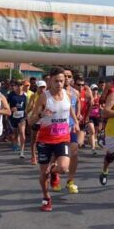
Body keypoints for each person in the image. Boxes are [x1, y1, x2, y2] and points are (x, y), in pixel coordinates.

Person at [28, 68, 78, 211]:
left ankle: (54, 171)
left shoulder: (68, 94)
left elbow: (70, 109)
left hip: (62, 138)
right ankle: (46, 197)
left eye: (62, 81)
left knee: (63, 167)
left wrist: (75, 122)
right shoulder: (44, 97)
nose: (59, 84)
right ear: (50, 81)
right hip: (45, 140)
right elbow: (31, 121)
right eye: (56, 81)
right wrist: (41, 114)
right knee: (43, 174)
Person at [63, 69, 82, 194]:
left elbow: (78, 102)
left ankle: (70, 181)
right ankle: (54, 174)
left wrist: (78, 115)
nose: (66, 78)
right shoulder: (55, 92)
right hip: (58, 127)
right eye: (64, 76)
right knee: (57, 157)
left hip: (71, 127)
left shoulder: (75, 92)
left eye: (69, 76)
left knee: (74, 153)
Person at [27, 81, 46, 165]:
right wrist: (33, 107)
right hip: (36, 119)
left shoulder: (47, 96)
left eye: (43, 87)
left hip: (45, 120)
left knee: (44, 139)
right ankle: (33, 156)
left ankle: (42, 154)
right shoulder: (34, 96)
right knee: (34, 138)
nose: (42, 89)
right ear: (37, 88)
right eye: (40, 87)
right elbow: (28, 109)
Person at [7, 81, 28, 158]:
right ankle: (15, 142)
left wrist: (26, 115)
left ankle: (22, 151)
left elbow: (25, 107)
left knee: (22, 132)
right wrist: (11, 109)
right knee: (15, 133)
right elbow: (5, 106)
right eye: (18, 85)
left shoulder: (25, 96)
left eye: (21, 85)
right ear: (15, 86)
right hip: (13, 117)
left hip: (22, 117)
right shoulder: (11, 95)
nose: (19, 87)